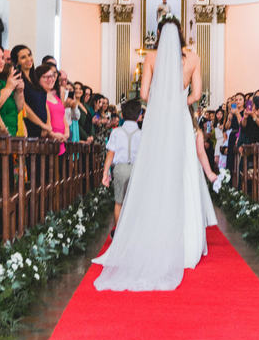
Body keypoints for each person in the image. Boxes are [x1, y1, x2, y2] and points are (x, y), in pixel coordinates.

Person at [93, 17, 218, 291]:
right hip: (179, 118)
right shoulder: (193, 58)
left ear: (160, 34)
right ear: (181, 33)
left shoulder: (151, 57)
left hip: (159, 119)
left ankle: (153, 236)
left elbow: (144, 93)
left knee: (156, 171)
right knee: (184, 170)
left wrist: (163, 102)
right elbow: (197, 94)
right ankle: (187, 243)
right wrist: (179, 101)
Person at [102, 98, 143, 232]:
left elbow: (110, 154)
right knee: (134, 202)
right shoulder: (142, 134)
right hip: (136, 170)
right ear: (139, 116)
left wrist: (105, 173)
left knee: (119, 202)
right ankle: (133, 232)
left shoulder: (116, 132)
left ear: (122, 115)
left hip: (120, 169)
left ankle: (118, 232)